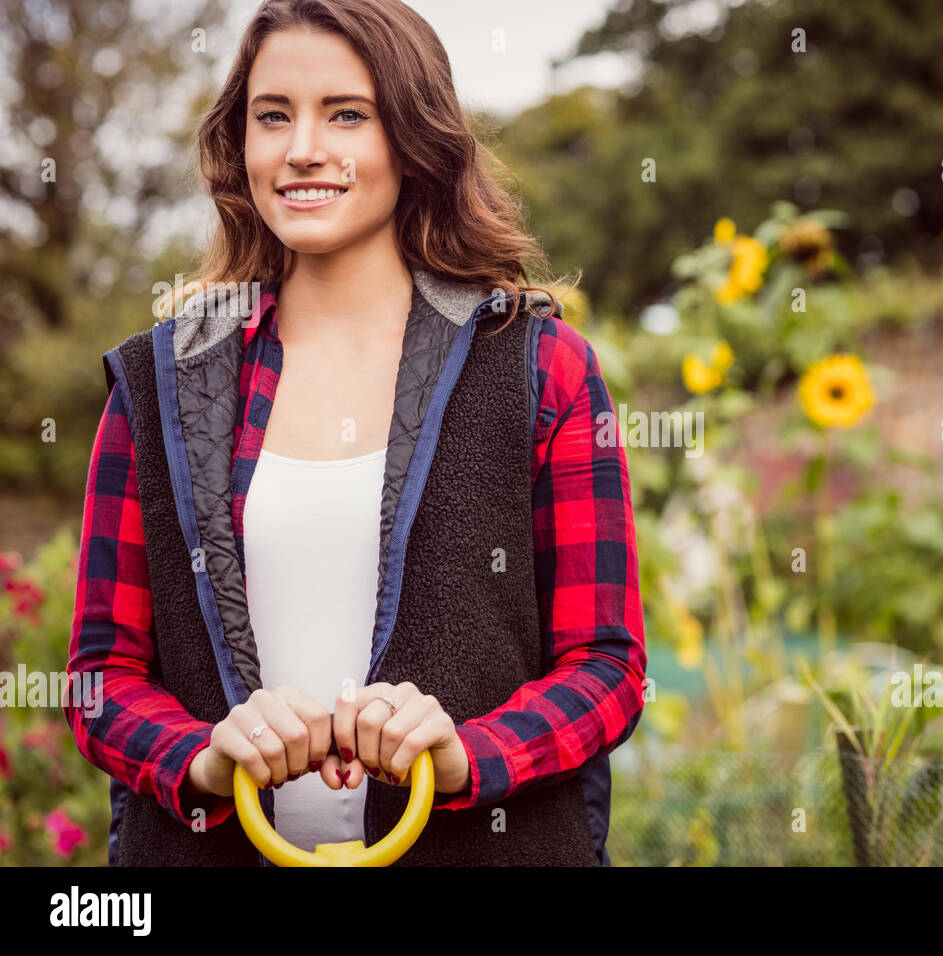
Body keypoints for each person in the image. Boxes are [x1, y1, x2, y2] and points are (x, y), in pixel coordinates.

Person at [63, 0, 646, 866]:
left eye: (347, 114)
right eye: (273, 116)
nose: (302, 148)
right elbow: (101, 679)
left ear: (414, 140)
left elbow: (606, 666)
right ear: (241, 144)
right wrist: (205, 756)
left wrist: (465, 755)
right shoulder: (156, 384)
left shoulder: (542, 366)